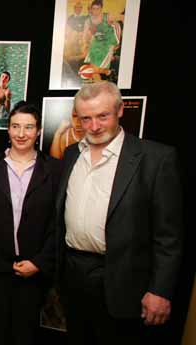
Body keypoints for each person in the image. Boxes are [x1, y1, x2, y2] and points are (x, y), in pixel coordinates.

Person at [55, 82, 183, 344]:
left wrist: (160, 290)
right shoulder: (71, 154)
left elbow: (169, 236)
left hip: (122, 282)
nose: (94, 126)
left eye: (103, 116)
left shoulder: (156, 159)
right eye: (86, 118)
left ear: (120, 110)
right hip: (73, 275)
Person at [0, 102, 62, 345]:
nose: (21, 134)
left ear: (39, 131)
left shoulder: (55, 169)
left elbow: (58, 222)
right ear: (8, 129)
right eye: (15, 126)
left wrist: (40, 262)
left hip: (34, 269)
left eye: (29, 127)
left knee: (25, 334)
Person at [81, 0, 122, 81]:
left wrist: (117, 42)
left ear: (101, 9)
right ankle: (100, 82)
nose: (95, 11)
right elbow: (84, 35)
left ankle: (108, 72)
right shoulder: (88, 21)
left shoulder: (108, 16)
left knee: (94, 69)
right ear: (91, 9)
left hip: (108, 43)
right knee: (93, 69)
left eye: (97, 9)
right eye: (93, 8)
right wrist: (85, 45)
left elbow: (118, 26)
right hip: (96, 44)